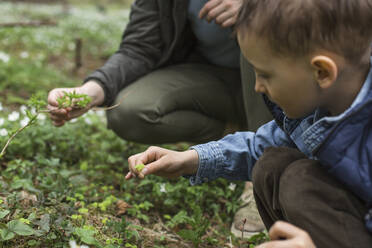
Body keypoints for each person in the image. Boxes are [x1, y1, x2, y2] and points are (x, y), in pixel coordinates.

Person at [125, 0, 372, 247]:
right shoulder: (319, 110)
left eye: (265, 74)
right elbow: (262, 146)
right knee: (273, 167)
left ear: (322, 72)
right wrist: (190, 160)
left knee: (297, 180)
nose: (256, 87)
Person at [47, 0, 271, 237]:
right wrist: (92, 91)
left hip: (282, 81)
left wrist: (257, 8)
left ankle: (265, 175)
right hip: (215, 80)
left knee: (262, 21)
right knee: (129, 111)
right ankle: (239, 138)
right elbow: (140, 47)